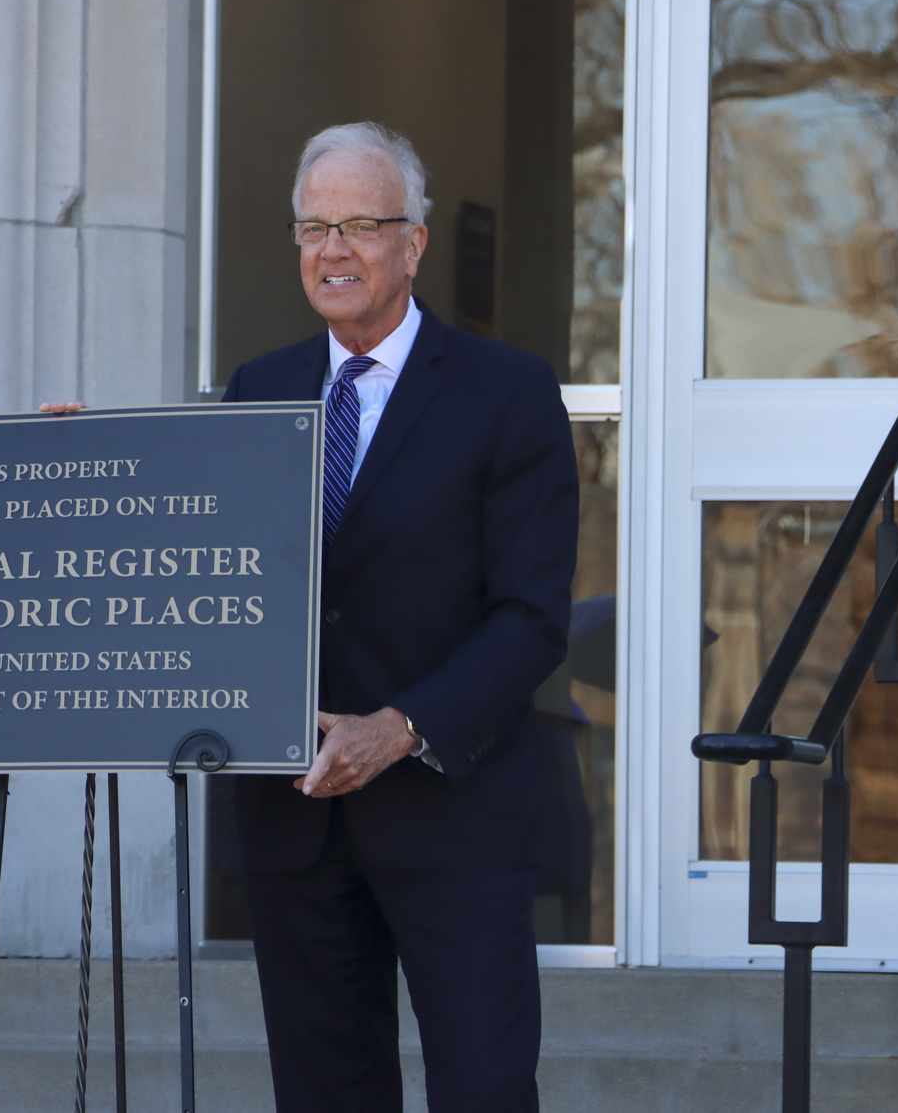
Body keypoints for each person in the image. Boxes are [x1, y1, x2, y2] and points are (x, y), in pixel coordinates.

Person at [221, 122, 578, 1112]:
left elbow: (527, 617)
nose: (331, 249)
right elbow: (211, 572)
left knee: (482, 1088)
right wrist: (83, 469)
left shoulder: (505, 394)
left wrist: (400, 727)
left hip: (449, 814)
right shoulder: (259, 389)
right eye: (310, 227)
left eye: (359, 225)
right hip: (295, 819)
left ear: (412, 244)